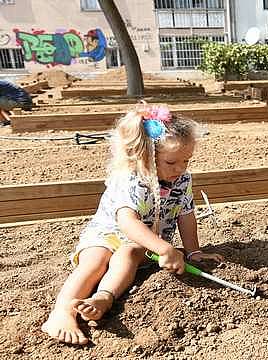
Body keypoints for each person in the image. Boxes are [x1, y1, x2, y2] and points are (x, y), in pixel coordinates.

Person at [41, 104, 224, 345]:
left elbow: (186, 214)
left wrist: (193, 251)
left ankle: (104, 298)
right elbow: (127, 222)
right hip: (107, 234)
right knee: (96, 260)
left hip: (143, 242)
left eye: (186, 161)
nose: (180, 169)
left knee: (127, 254)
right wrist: (165, 249)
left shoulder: (181, 180)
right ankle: (62, 312)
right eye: (171, 162)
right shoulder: (130, 178)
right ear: (145, 156)